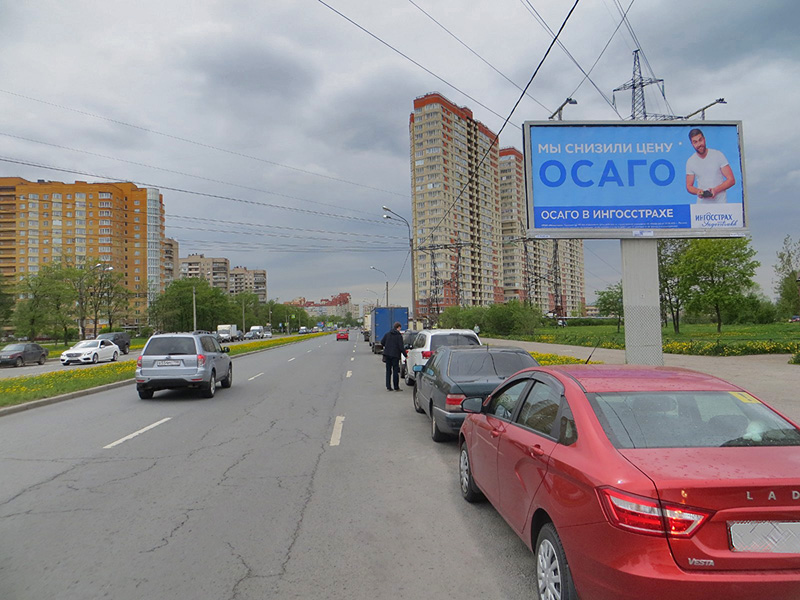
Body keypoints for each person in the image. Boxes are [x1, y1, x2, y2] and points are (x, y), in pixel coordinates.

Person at [685, 128, 735, 203]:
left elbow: (731, 180)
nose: (699, 144)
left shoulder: (718, 155)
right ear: (692, 144)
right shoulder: (690, 161)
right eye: (695, 142)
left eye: (700, 140)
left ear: (704, 139)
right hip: (702, 205)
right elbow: (689, 186)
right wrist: (698, 191)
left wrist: (715, 190)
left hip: (720, 204)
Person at [381, 321, 405, 392]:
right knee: (395, 371)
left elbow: (382, 342)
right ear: (398, 327)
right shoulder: (399, 336)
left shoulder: (387, 334)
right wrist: (405, 355)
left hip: (387, 354)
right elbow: (401, 347)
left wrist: (387, 345)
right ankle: (396, 387)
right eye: (400, 328)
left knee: (388, 371)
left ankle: (388, 386)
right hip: (395, 355)